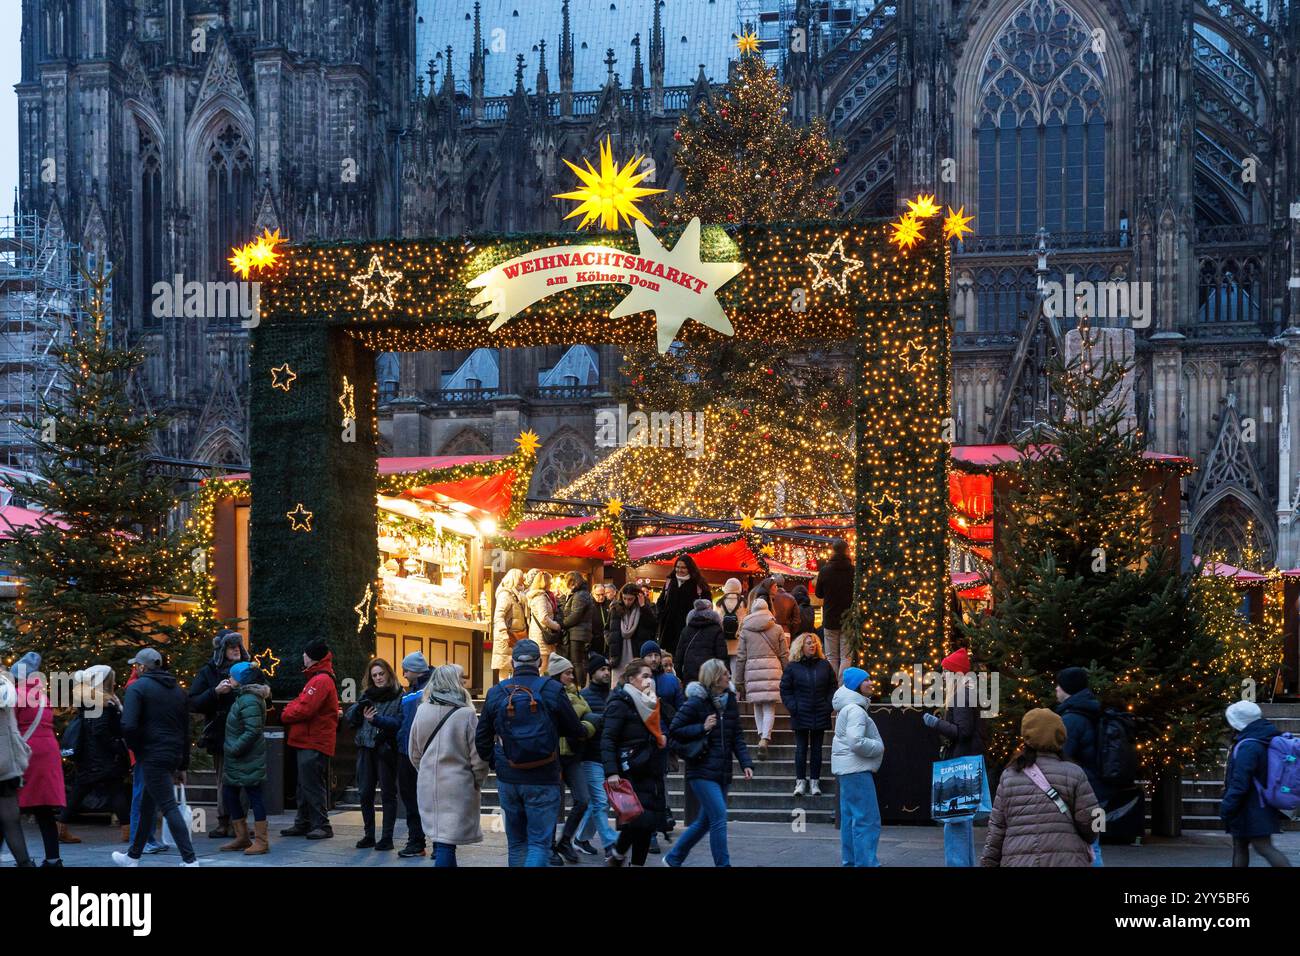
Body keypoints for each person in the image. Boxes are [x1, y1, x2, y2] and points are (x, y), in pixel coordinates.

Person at [476, 640, 585, 866]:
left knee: (516, 844)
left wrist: (498, 762)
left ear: (512, 662)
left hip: (509, 776)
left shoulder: (496, 692)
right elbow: (575, 729)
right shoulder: (552, 690)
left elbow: (482, 739)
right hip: (544, 776)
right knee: (538, 844)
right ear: (539, 662)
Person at [112, 647, 199, 867]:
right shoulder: (178, 691)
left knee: (168, 806)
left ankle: (190, 860)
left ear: (142, 667)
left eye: (136, 665)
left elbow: (129, 725)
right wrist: (183, 764)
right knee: (148, 806)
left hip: (151, 753)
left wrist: (137, 749)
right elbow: (185, 730)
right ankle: (133, 856)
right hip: (171, 753)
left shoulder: (138, 688)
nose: (135, 668)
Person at [981, 708, 1099, 867]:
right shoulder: (1075, 773)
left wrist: (988, 863)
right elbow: (1093, 821)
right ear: (1061, 737)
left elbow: (996, 829)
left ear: (1026, 736)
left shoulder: (1009, 776)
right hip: (1066, 860)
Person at [664, 659, 754, 867]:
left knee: (705, 822)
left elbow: (736, 736)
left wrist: (746, 762)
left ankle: (673, 858)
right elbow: (674, 731)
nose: (729, 676)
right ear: (714, 678)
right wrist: (701, 728)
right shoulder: (696, 702)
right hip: (701, 770)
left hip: (722, 770)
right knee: (719, 818)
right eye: (724, 673)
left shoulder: (730, 700)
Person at [409, 664, 489, 868]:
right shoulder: (466, 714)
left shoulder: (422, 710)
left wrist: (426, 771)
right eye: (461, 677)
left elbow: (414, 752)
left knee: (441, 840)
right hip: (458, 785)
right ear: (453, 682)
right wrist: (477, 781)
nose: (464, 681)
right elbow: (477, 757)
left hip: (429, 785)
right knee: (446, 844)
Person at [922, 646, 986, 866]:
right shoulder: (965, 692)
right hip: (965, 760)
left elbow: (963, 731)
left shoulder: (961, 694)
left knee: (955, 820)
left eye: (947, 672)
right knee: (962, 820)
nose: (944, 676)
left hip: (960, 763)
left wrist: (935, 723)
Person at [602, 658, 670, 866]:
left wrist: (663, 737)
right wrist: (611, 771)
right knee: (638, 819)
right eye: (645, 676)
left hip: (651, 769)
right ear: (632, 679)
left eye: (651, 676)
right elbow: (608, 739)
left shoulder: (653, 703)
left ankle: (631, 861)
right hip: (630, 770)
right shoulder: (620, 703)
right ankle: (619, 853)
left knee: (647, 824)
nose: (650, 680)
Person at [59, 665, 131, 852]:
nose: (115, 682)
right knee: (114, 790)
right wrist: (117, 747)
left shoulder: (92, 699)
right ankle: (127, 830)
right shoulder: (103, 703)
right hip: (102, 756)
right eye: (112, 679)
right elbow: (100, 730)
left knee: (81, 791)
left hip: (90, 756)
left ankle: (61, 827)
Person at [188, 629, 249, 839]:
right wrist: (215, 692)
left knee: (243, 780)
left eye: (238, 645)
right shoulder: (209, 671)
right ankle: (225, 822)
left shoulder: (249, 670)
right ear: (222, 650)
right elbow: (193, 701)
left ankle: (238, 824)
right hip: (221, 734)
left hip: (245, 734)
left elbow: (265, 696)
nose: (236, 649)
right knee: (224, 779)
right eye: (231, 646)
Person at [371, 651, 433, 857]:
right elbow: (400, 722)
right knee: (410, 799)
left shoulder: (430, 690)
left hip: (425, 754)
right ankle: (417, 842)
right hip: (406, 753)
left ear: (415, 669)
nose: (404, 673)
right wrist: (377, 720)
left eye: (406, 669)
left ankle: (440, 844)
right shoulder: (409, 694)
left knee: (430, 800)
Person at [278, 640, 338, 842]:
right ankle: (303, 822)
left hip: (313, 741)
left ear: (311, 656)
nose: (302, 656)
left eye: (304, 653)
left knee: (311, 785)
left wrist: (286, 713)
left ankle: (321, 825)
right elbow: (302, 704)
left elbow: (304, 708)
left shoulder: (320, 681)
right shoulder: (318, 678)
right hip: (309, 740)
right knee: (304, 785)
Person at [1221, 700, 1293, 867]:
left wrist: (1227, 806)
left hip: (1251, 806)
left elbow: (1240, 782)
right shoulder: (1262, 737)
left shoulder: (1249, 745)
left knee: (1263, 848)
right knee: (1241, 846)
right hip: (1256, 804)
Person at [10, 653, 65, 865]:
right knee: (43, 809)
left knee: (10, 808)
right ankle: (53, 858)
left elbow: (9, 726)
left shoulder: (15, 695)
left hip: (26, 753)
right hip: (47, 753)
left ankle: (23, 860)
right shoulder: (43, 696)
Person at [345, 657, 403, 850]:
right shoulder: (367, 694)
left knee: (388, 794)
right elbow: (350, 718)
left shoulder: (399, 694)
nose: (378, 678)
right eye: (374, 675)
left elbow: (398, 722)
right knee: (365, 793)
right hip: (365, 749)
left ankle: (387, 838)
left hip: (385, 749)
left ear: (389, 673)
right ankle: (369, 835)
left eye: (381, 674)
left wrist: (378, 721)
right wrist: (359, 707)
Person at [1053, 666, 1107, 865]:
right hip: (1098, 791)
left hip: (1082, 793)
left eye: (1059, 685)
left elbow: (1062, 756)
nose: (1056, 689)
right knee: (1094, 844)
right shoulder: (1089, 711)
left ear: (1068, 688)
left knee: (1090, 848)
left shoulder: (1072, 719)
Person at [832, 667, 884, 867]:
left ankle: (852, 862)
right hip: (857, 770)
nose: (871, 682)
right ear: (856, 686)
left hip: (846, 771)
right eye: (866, 680)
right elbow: (856, 742)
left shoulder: (847, 708)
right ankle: (866, 863)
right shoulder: (855, 710)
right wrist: (878, 747)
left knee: (850, 820)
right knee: (867, 820)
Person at [220, 662, 272, 856]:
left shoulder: (249, 699)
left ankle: (261, 841)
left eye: (233, 676)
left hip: (246, 757)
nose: (229, 678)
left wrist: (234, 748)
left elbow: (252, 730)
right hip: (239, 758)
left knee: (254, 795)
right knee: (230, 793)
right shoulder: (244, 696)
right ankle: (242, 836)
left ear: (242, 679)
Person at [550, 654, 597, 864]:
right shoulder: (549, 693)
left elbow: (588, 714)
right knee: (553, 804)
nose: (571, 676)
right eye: (567, 673)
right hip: (554, 756)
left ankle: (566, 840)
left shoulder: (576, 694)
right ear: (557, 674)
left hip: (573, 754)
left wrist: (586, 728)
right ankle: (550, 847)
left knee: (583, 799)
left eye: (571, 672)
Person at [781, 633, 837, 796]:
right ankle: (800, 782)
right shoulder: (793, 666)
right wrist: (793, 707)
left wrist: (828, 706)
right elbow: (785, 689)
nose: (812, 645)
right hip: (801, 713)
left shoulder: (824, 665)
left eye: (814, 643)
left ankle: (815, 782)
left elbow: (832, 686)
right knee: (801, 749)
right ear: (801, 646)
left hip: (820, 712)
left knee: (817, 750)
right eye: (808, 643)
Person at [575, 652, 618, 858]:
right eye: (602, 669)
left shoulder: (614, 695)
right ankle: (610, 845)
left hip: (609, 758)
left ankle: (580, 838)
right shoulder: (583, 696)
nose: (607, 672)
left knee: (599, 802)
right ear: (592, 673)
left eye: (608, 669)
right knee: (601, 801)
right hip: (590, 757)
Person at [735, 598, 789, 760]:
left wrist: (738, 680)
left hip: (752, 670)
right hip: (772, 669)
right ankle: (765, 738)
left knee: (757, 705)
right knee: (769, 707)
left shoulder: (745, 629)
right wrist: (787, 672)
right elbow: (784, 654)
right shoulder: (777, 628)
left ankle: (761, 737)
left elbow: (741, 657)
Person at [124, 658, 165, 854]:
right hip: (143, 749)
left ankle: (147, 838)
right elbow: (131, 723)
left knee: (148, 795)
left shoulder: (143, 686)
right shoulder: (137, 687)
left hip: (147, 748)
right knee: (141, 796)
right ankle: (137, 840)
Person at [0, 665, 35, 867]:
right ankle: (24, 863)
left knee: (9, 819)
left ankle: (24, 863)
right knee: (9, 819)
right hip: (6, 762)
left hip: (5, 762)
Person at [656, 555, 712, 657]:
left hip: (689, 629)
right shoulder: (670, 582)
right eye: (677, 567)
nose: (679, 570)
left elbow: (707, 606)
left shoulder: (698, 584)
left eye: (683, 567)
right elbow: (660, 602)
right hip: (669, 630)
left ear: (690, 568)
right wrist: (662, 614)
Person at [815, 539, 854, 676]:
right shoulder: (853, 570)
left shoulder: (825, 570)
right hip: (848, 619)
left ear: (833, 550)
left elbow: (818, 594)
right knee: (846, 656)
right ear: (847, 550)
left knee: (831, 656)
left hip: (830, 618)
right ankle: (842, 686)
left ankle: (833, 688)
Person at [676, 598, 729, 687]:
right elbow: (722, 655)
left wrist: (679, 675)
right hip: (711, 676)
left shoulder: (686, 630)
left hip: (690, 675)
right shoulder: (716, 630)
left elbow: (679, 655)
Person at [608, 582, 657, 670]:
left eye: (630, 599)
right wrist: (610, 640)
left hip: (637, 652)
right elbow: (608, 628)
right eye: (624, 598)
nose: (627, 602)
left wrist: (643, 607)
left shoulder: (646, 607)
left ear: (637, 597)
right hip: (618, 653)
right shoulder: (615, 609)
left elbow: (653, 625)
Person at [491, 568, 527, 680]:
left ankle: (510, 690)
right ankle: (505, 692)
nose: (523, 581)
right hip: (507, 636)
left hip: (515, 635)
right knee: (505, 667)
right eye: (521, 579)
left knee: (511, 665)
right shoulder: (505, 595)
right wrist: (503, 632)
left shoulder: (516, 595)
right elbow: (498, 615)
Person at [560, 571, 594, 686]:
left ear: (573, 582)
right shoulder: (583, 593)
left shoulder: (580, 595)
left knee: (577, 662)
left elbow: (575, 616)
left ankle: (580, 687)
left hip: (577, 633)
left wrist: (561, 624)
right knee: (579, 662)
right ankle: (580, 686)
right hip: (580, 632)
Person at [527, 570, 564, 674]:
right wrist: (556, 626)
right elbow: (543, 617)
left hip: (539, 632)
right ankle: (539, 687)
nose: (551, 583)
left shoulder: (540, 596)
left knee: (545, 664)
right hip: (542, 634)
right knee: (543, 665)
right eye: (550, 581)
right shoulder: (540, 597)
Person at [716, 578, 746, 665]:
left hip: (723, 639)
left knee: (723, 669)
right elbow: (744, 621)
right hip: (738, 640)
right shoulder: (743, 602)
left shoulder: (720, 602)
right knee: (735, 668)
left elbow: (718, 621)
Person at [590, 583, 615, 656]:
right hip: (594, 644)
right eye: (598, 595)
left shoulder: (610, 604)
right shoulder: (589, 606)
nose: (601, 597)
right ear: (593, 593)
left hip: (608, 643)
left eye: (603, 594)